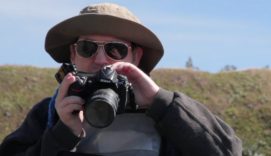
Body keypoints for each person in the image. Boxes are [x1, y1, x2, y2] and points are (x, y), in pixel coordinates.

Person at [0, 3, 242, 156]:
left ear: (136, 56)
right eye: (87, 48)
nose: (100, 59)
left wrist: (163, 103)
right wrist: (63, 134)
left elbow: (229, 151)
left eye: (115, 49)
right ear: (73, 53)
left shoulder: (167, 117)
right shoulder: (49, 113)